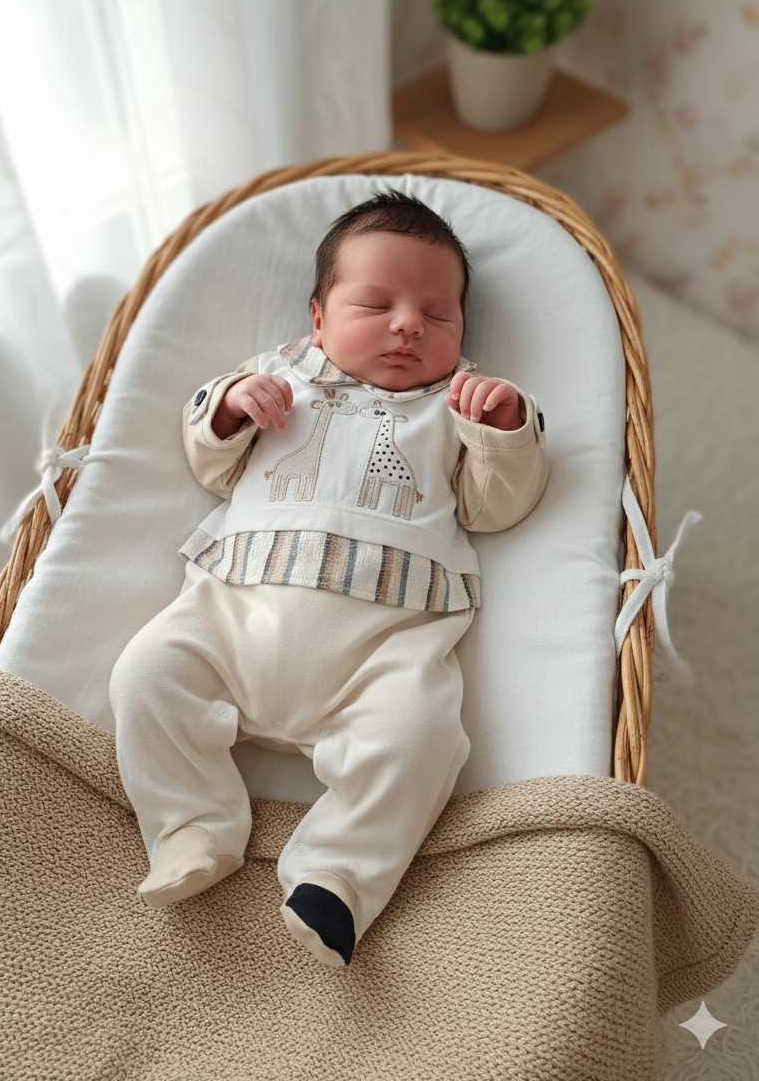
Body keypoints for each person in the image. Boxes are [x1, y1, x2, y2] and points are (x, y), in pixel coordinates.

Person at [109, 190, 548, 970]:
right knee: (146, 674)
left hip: (382, 646)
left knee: (423, 736)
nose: (408, 325)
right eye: (376, 305)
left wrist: (505, 432)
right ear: (317, 319)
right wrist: (229, 410)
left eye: (437, 314)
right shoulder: (277, 378)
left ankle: (338, 876)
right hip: (235, 614)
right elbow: (211, 467)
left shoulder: (459, 406)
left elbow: (495, 508)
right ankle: (192, 826)